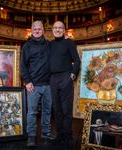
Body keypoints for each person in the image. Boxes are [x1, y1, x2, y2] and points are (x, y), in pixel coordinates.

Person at [20, 20, 54, 147]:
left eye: (40, 29)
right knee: (32, 112)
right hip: (33, 85)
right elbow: (23, 66)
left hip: (49, 84)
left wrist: (66, 39)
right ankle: (31, 136)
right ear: (32, 29)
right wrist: (27, 81)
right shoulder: (27, 46)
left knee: (47, 111)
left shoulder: (49, 44)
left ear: (43, 30)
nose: (38, 31)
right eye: (35, 29)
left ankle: (46, 133)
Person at [50, 21, 81, 149]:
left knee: (66, 109)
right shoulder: (50, 44)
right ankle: (60, 134)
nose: (58, 30)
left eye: (60, 28)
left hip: (65, 77)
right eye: (55, 27)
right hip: (52, 78)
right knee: (56, 110)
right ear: (52, 30)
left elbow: (77, 60)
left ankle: (68, 136)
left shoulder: (69, 42)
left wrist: (73, 74)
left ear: (64, 30)